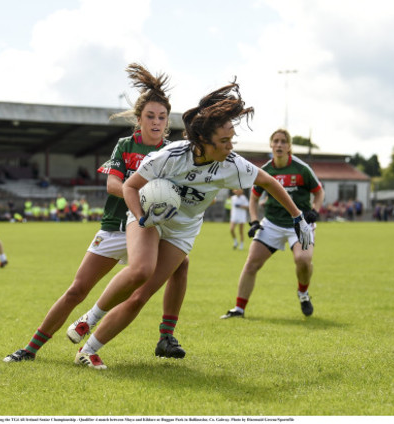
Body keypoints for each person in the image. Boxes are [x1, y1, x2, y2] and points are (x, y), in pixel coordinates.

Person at [71, 80, 313, 369]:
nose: (230, 146)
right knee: (140, 271)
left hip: (182, 230)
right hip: (147, 216)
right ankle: (90, 318)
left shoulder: (231, 164)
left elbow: (268, 181)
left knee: (140, 297)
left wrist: (298, 217)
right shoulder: (171, 156)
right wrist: (144, 218)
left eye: (231, 140)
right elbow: (130, 188)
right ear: (203, 142)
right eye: (224, 141)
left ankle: (88, 350)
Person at [3, 63, 189, 363]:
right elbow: (113, 184)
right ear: (138, 119)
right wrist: (143, 193)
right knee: (77, 290)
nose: (156, 122)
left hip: (148, 230)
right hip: (116, 227)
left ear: (167, 123)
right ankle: (30, 349)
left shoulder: (173, 153)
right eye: (150, 116)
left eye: (162, 117)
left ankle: (166, 336)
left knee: (182, 264)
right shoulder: (125, 145)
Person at [221, 129, 324, 320]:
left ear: (289, 146)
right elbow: (253, 199)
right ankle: (239, 309)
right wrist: (253, 221)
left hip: (300, 223)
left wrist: (315, 210)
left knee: (303, 260)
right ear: (270, 145)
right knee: (251, 263)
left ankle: (303, 294)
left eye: (283, 141)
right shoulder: (266, 170)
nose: (279, 145)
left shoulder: (302, 169)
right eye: (275, 141)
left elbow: (319, 192)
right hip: (272, 223)